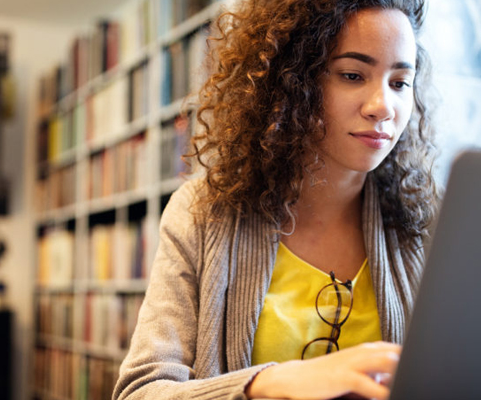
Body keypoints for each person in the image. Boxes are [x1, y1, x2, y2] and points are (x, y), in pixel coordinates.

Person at [114, 0, 438, 398]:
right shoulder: (200, 213)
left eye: (400, 82)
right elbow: (140, 391)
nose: (383, 107)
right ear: (292, 81)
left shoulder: (429, 223)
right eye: (353, 75)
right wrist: (270, 384)